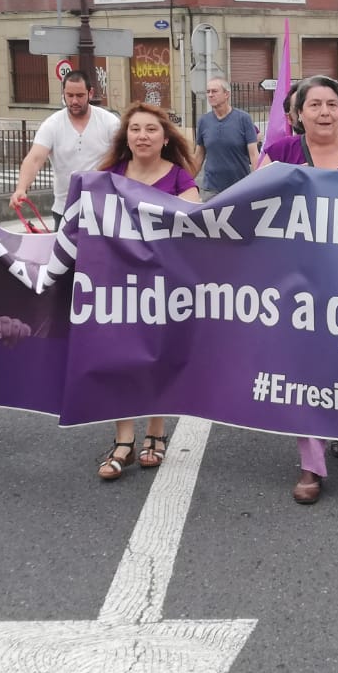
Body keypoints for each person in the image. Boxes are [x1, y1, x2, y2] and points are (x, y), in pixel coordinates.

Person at [257, 76, 338, 503]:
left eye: (332, 103)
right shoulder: (279, 154)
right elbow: (248, 205)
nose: (324, 112)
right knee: (304, 367)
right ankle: (311, 466)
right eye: (314, 105)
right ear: (297, 114)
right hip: (298, 282)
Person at [95, 102, 203, 480]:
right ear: (126, 136)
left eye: (151, 129)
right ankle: (123, 440)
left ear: (164, 137)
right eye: (136, 129)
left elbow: (195, 221)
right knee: (118, 359)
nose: (143, 135)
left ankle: (155, 432)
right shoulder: (107, 176)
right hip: (116, 286)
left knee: (157, 358)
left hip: (162, 285)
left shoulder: (179, 179)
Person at [11, 72, 120, 227]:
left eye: (80, 95)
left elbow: (124, 157)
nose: (74, 101)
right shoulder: (52, 124)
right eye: (69, 95)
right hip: (65, 209)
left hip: (102, 207)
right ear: (63, 94)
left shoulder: (109, 122)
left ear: (91, 93)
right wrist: (21, 189)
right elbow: (34, 159)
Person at [194, 77, 260, 200]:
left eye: (214, 91)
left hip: (240, 187)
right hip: (211, 190)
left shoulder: (243, 119)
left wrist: (261, 182)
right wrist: (185, 184)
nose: (210, 95)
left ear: (226, 94)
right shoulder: (203, 121)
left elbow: (254, 154)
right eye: (208, 92)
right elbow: (198, 156)